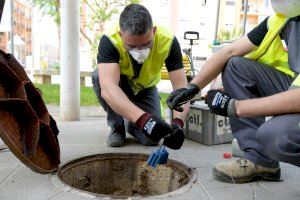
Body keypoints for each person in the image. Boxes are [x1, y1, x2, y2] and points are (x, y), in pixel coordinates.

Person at [167, 0, 300, 183]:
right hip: (292, 86)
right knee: (234, 65)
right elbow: (229, 52)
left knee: (277, 136)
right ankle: (260, 161)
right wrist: (193, 87)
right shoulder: (282, 20)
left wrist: (234, 106)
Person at [92, 4, 188, 148]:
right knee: (99, 76)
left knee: (153, 138)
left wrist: (177, 123)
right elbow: (108, 88)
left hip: (146, 88)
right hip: (120, 86)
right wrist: (144, 120)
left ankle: (132, 122)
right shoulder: (110, 40)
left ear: (153, 31)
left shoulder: (168, 41)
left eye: (146, 44)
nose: (140, 52)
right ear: (121, 35)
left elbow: (181, 89)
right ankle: (117, 127)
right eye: (131, 46)